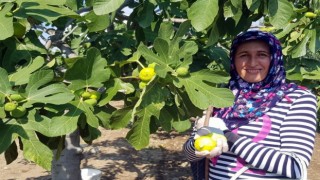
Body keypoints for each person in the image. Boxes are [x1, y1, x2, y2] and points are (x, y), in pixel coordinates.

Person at [183, 30, 318, 179]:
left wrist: (228, 136)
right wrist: (197, 143)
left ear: (274, 58)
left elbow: (294, 167)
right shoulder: (221, 96)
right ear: (234, 60)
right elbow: (190, 154)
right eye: (244, 55)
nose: (252, 63)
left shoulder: (296, 99)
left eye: (262, 54)